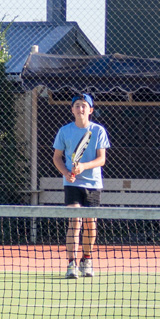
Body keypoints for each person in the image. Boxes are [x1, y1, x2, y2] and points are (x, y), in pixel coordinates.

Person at [52, 93, 110, 278]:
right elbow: (57, 158)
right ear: (72, 110)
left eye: (84, 105)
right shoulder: (64, 131)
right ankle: (71, 264)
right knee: (75, 221)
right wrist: (66, 173)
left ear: (90, 110)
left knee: (90, 224)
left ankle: (87, 260)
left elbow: (101, 159)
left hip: (93, 184)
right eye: (77, 105)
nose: (80, 109)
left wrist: (83, 166)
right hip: (72, 185)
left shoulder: (99, 131)